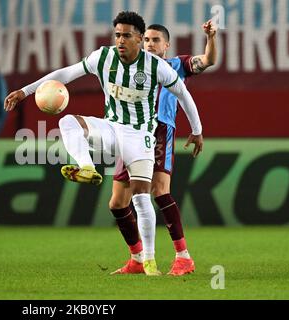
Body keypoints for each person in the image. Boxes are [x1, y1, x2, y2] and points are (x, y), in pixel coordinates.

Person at [4, 11, 202, 275]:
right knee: (68, 123)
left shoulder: (156, 67)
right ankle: (86, 167)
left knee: (142, 199)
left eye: (127, 36)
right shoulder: (103, 57)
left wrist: (197, 130)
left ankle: (149, 261)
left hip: (141, 137)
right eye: (117, 35)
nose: (120, 40)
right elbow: (65, 73)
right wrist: (25, 91)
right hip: (110, 128)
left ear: (139, 39)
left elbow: (184, 95)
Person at [110, 21, 217, 275]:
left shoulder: (177, 65)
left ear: (166, 45)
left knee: (159, 191)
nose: (150, 44)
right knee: (117, 202)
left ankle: (183, 257)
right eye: (146, 40)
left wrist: (211, 38)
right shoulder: (129, 66)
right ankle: (137, 259)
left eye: (156, 40)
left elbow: (209, 60)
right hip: (130, 131)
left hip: (159, 129)